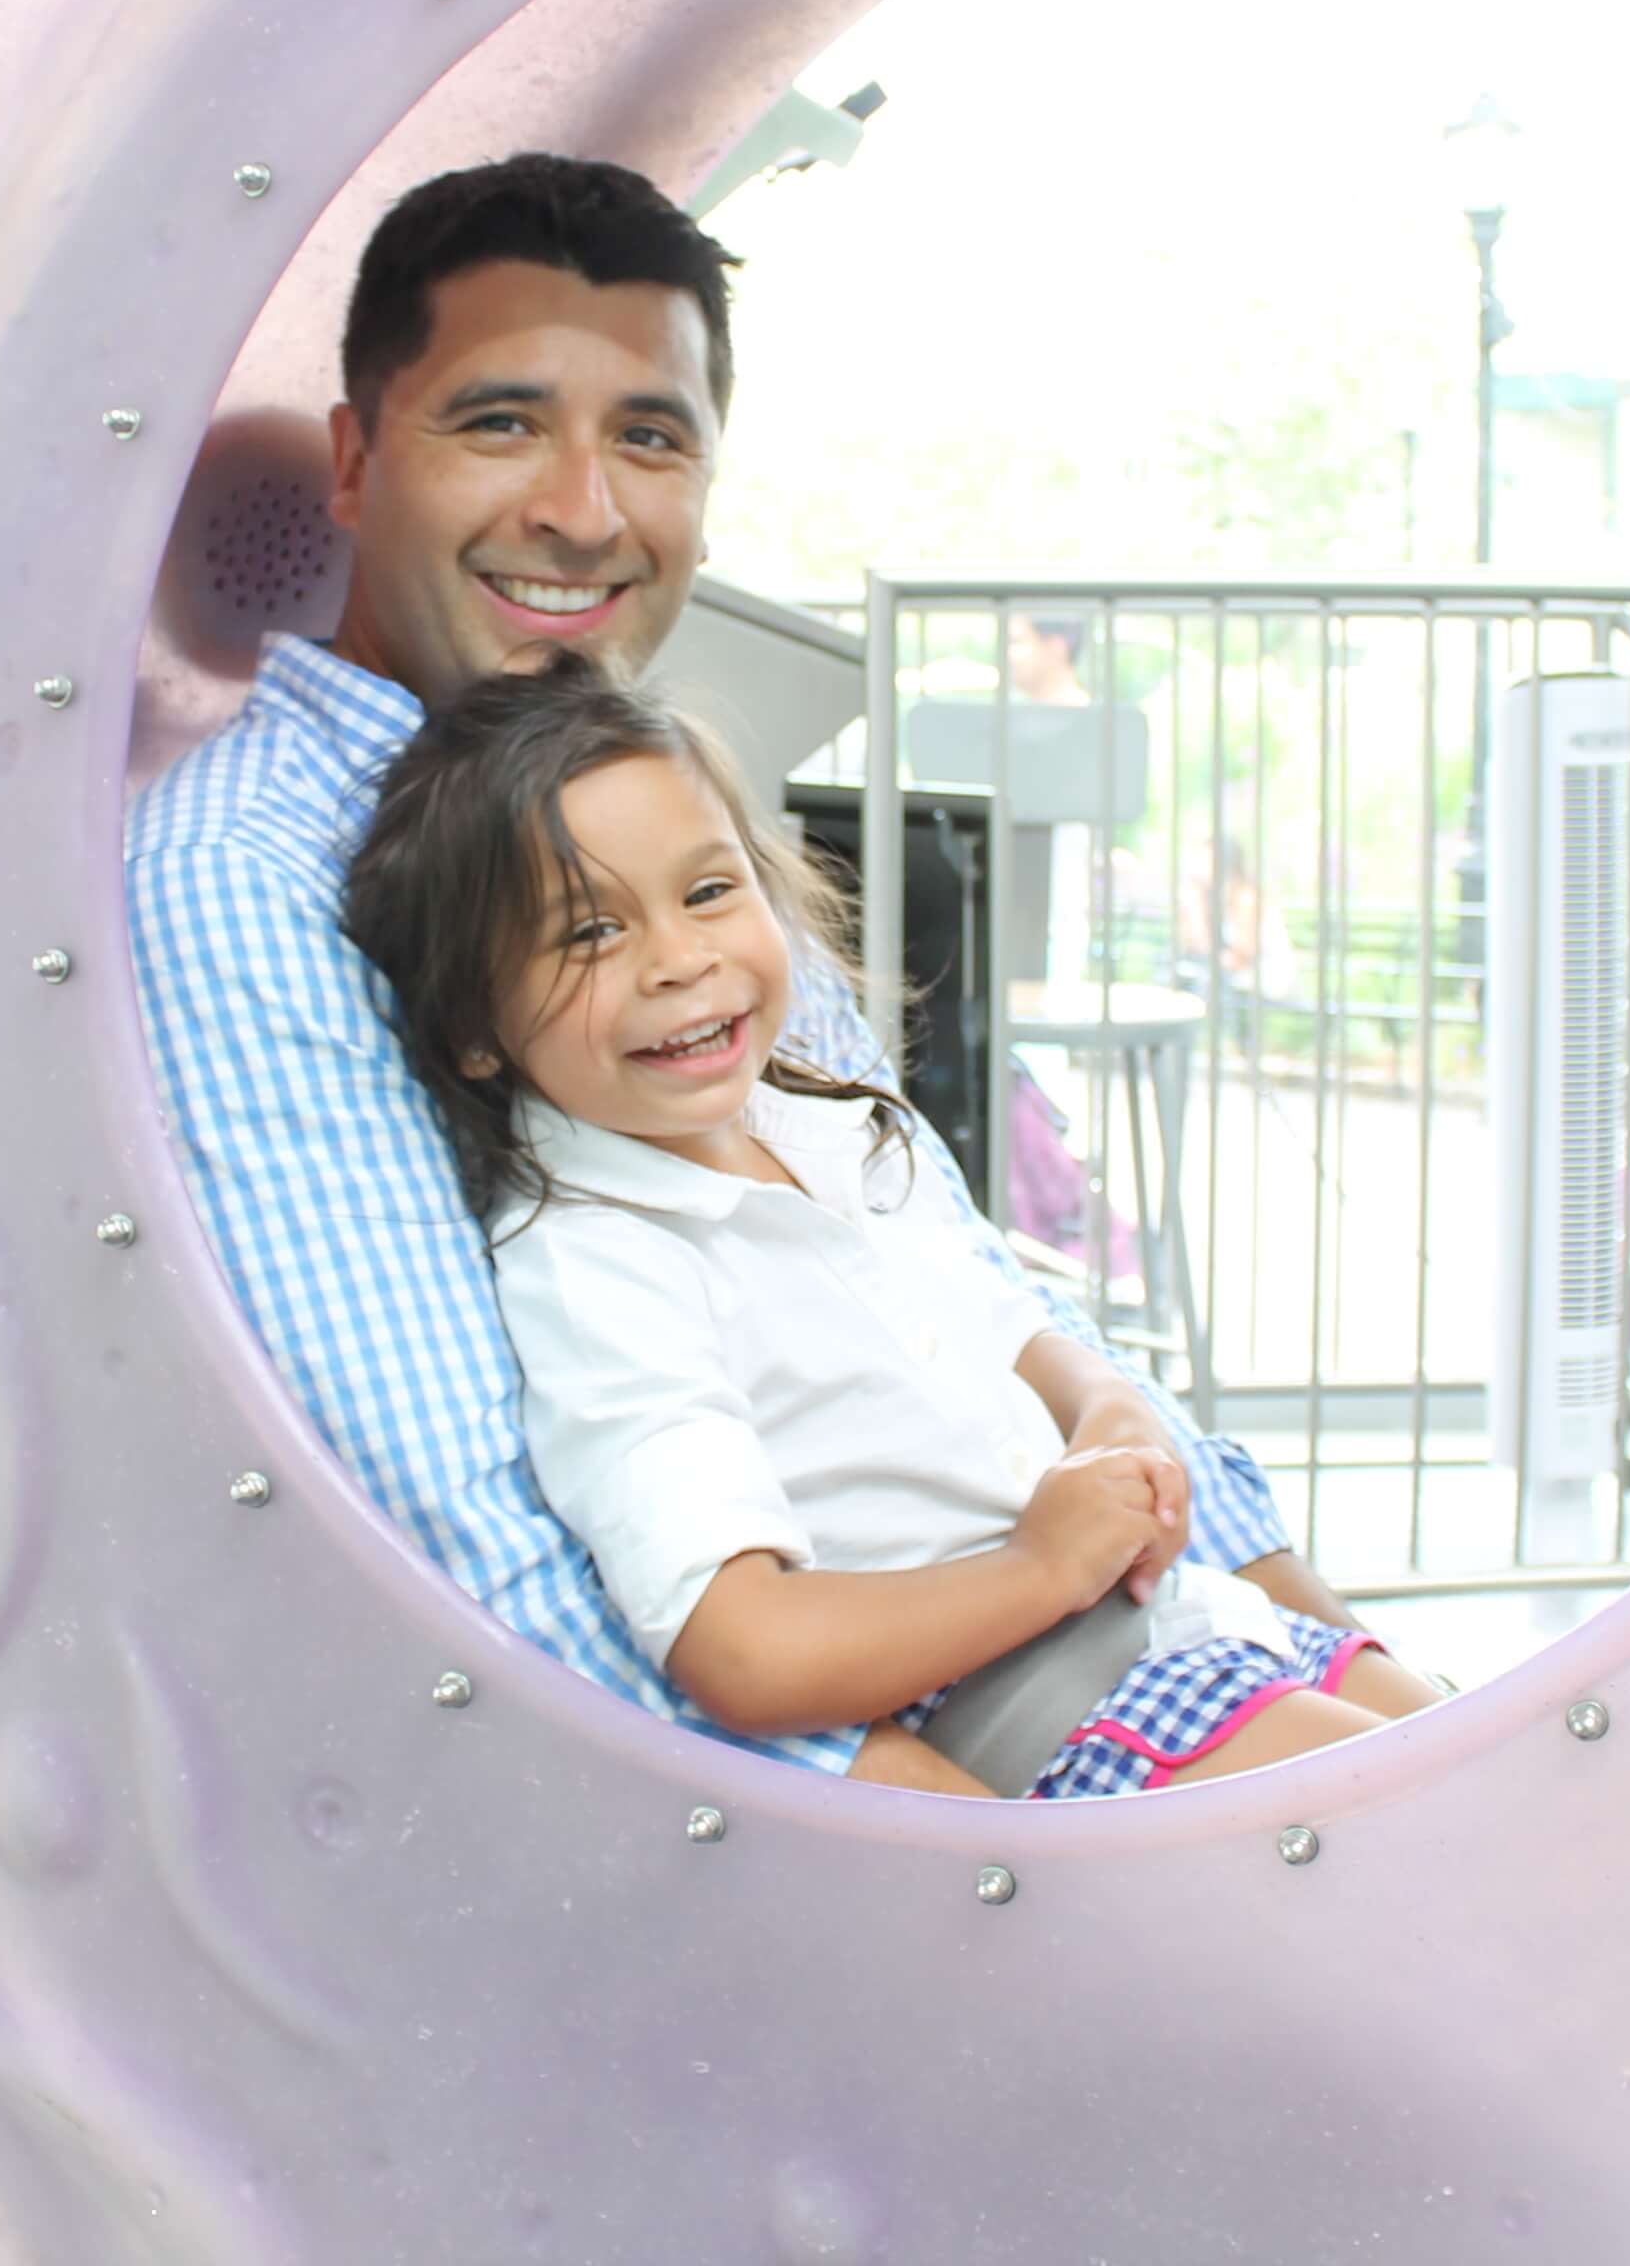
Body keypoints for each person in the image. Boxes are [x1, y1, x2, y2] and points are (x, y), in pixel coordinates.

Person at [127, 151, 1368, 1796]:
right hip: (912, 1806)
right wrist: (1034, 1900)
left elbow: (958, 1281)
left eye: (649, 435)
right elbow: (489, 1568)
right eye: (500, 421)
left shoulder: (662, 814)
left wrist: (1332, 1650)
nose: (582, 506)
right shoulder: (246, 873)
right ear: (353, 463)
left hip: (1153, 1652)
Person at [344, 658, 1439, 1795]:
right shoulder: (600, 1261)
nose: (679, 959)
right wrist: (1040, 1567)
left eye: (710, 891)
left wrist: (1111, 1413)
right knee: (1445, 1832)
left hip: (1202, 1621)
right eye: (587, 933)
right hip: (1068, 1703)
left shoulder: (835, 1123)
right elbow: (742, 1646)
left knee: (1504, 1761)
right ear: (475, 1026)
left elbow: (1008, 1323)